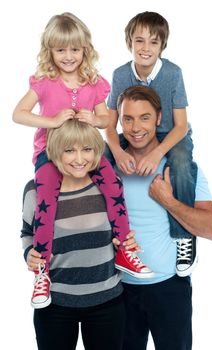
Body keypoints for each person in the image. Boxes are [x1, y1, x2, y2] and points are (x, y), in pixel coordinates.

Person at [13, 12, 153, 309]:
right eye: (61, 49)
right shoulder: (44, 82)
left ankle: (124, 250)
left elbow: (105, 118)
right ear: (49, 50)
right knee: (46, 200)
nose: (68, 56)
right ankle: (43, 271)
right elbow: (18, 114)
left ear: (85, 50)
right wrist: (51, 120)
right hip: (50, 154)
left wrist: (95, 117)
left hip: (89, 152)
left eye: (75, 49)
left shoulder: (93, 82)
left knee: (114, 186)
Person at [111, 85, 212, 350]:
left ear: (159, 118)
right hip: (116, 288)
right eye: (128, 118)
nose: (136, 127)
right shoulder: (107, 167)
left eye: (145, 117)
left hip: (169, 287)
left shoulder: (181, 169)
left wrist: (168, 201)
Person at [20, 119, 142, 350]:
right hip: (55, 305)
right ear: (55, 151)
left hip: (107, 302)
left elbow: (120, 230)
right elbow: (27, 232)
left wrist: (126, 242)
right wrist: (29, 254)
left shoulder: (109, 185)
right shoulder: (35, 191)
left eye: (86, 149)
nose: (79, 159)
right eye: (69, 150)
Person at [106, 11, 198, 277]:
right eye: (139, 41)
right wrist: (117, 152)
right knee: (100, 158)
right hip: (132, 131)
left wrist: (158, 153)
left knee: (180, 162)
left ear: (162, 45)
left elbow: (181, 125)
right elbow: (110, 126)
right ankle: (111, 234)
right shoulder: (120, 74)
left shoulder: (173, 73)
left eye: (153, 42)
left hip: (170, 133)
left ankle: (184, 236)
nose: (146, 48)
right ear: (129, 43)